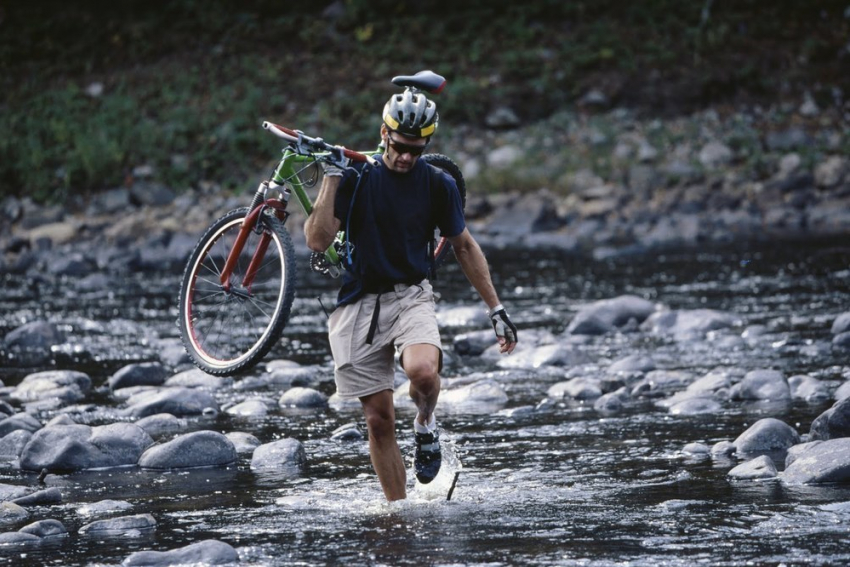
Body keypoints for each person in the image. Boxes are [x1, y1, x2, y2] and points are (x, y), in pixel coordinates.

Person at [304, 85, 518, 501]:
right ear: (384, 134)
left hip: (411, 295)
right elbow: (316, 239)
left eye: (416, 150)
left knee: (422, 372)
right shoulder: (355, 177)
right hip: (358, 303)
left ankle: (425, 423)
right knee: (379, 420)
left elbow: (464, 246)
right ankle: (400, 513)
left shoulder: (438, 185)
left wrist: (496, 308)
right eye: (400, 146)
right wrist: (331, 178)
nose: (406, 157)